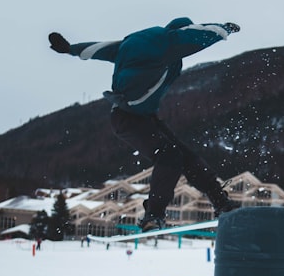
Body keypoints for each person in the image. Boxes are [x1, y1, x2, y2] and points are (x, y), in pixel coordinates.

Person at [48, 18, 241, 232]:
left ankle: (221, 203)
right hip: (127, 119)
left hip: (144, 118)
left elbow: (100, 49)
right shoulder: (165, 43)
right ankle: (153, 215)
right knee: (169, 155)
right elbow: (198, 35)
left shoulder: (138, 43)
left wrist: (69, 49)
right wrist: (224, 29)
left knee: (186, 158)